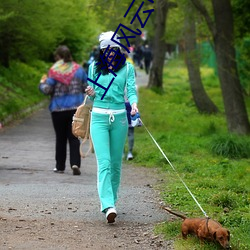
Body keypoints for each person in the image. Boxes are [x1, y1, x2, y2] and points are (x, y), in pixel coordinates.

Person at [85, 31, 138, 223]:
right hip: (98, 118)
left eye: (112, 49)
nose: (108, 53)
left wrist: (133, 104)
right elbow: (91, 97)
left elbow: (131, 90)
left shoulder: (127, 69)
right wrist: (90, 92)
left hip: (120, 119)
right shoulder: (94, 68)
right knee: (104, 163)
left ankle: (112, 201)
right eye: (105, 50)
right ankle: (107, 205)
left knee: (116, 164)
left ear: (118, 50)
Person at [39, 45, 87, 175]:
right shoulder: (79, 70)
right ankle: (75, 163)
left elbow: (47, 90)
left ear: (58, 57)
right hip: (75, 109)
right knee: (74, 136)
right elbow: (86, 87)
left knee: (60, 138)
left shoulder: (54, 71)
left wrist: (42, 83)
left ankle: (60, 167)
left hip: (58, 109)